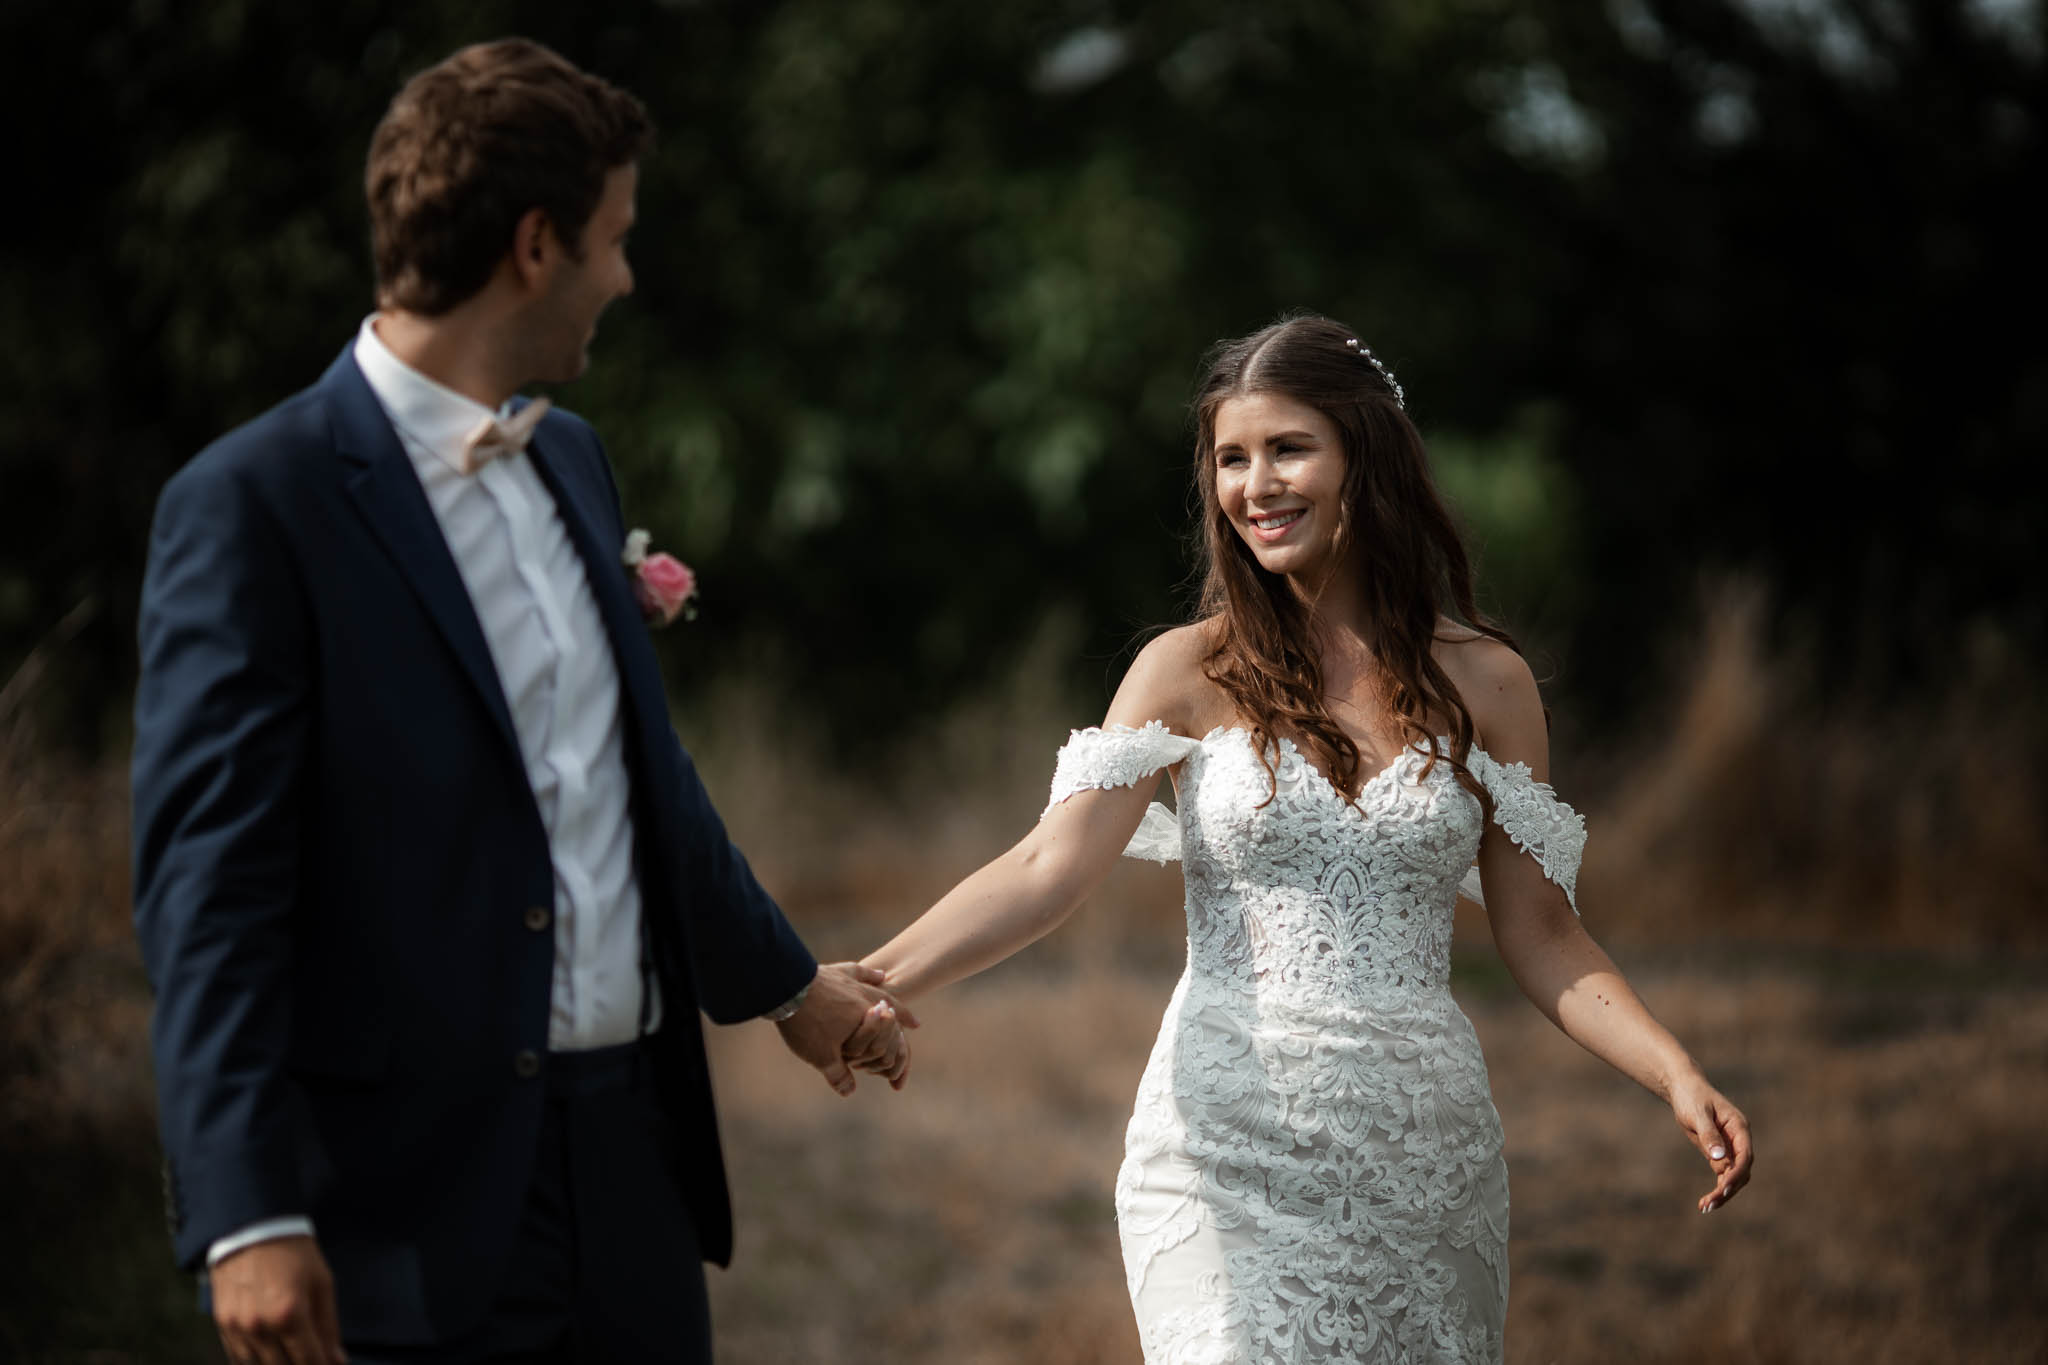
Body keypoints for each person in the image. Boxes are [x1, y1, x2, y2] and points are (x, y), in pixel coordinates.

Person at [129, 39, 911, 1365]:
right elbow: (209, 891)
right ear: (535, 246)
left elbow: (637, 774)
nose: (625, 274)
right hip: (403, 1204)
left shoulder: (572, 460)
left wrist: (790, 989)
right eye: (614, 239)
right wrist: (244, 1208)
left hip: (631, 1180)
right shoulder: (253, 504)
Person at [860, 313, 1754, 1364]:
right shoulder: (1183, 670)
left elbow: (1544, 931)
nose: (1254, 485)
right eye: (1230, 459)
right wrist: (867, 981)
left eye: (1288, 448)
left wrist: (1672, 1071)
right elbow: (1044, 867)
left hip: (1419, 1152)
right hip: (1222, 1147)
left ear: (1363, 458)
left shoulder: (1488, 683)